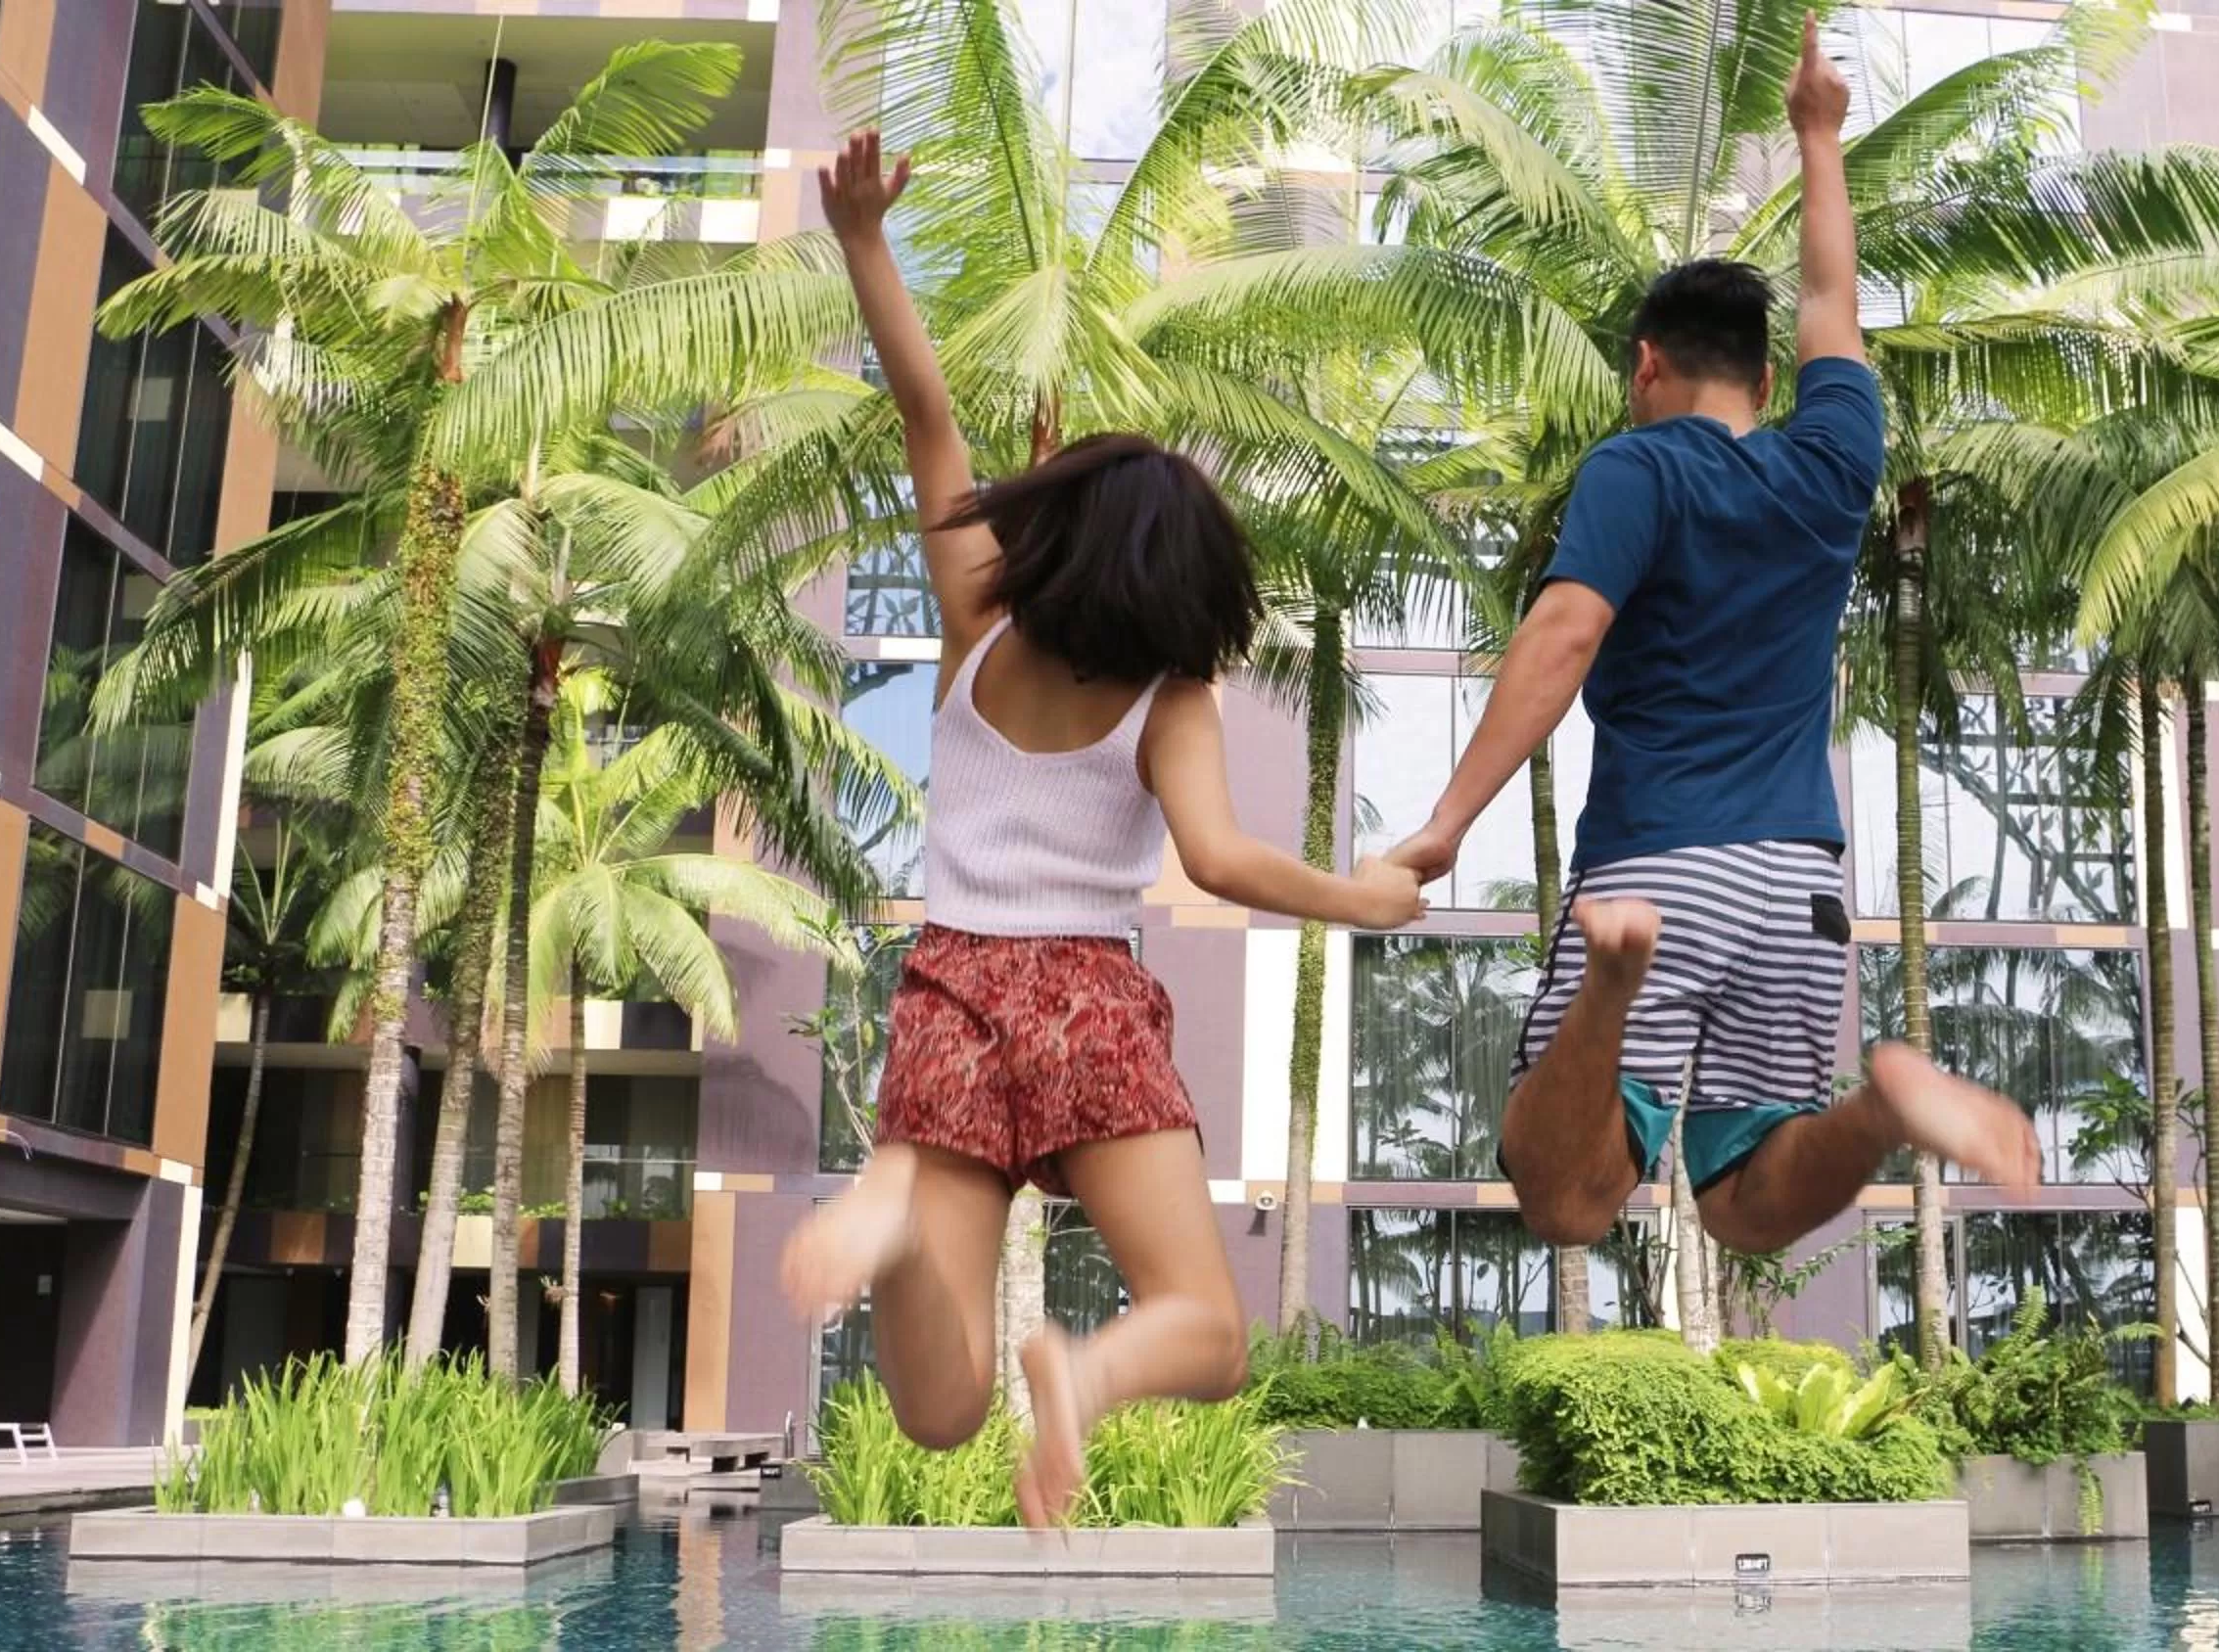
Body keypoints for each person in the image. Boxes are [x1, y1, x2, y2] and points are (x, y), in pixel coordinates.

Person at [780, 130, 1426, 1528]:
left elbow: (928, 422)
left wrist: (866, 244)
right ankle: (1087, 1372)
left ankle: (894, 1222)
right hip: (1087, 1003)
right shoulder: (1168, 697)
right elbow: (1220, 860)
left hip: (952, 991)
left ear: (1057, 532)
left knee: (937, 1415)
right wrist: (1363, 900)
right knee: (1203, 1328)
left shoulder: (977, 630)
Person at [1389, 21, 2042, 1262]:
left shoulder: (1639, 467)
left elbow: (1567, 627)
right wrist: (1818, 135)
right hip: (1797, 883)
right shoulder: (1836, 458)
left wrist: (1448, 820)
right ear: (1760, 370)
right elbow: (1830, 298)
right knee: (1742, 1207)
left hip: (1658, 862)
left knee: (1568, 1197)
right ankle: (1882, 1101)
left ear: (1646, 366)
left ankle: (1614, 983)